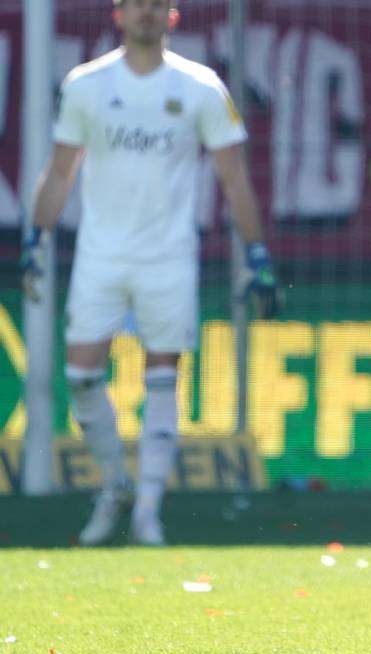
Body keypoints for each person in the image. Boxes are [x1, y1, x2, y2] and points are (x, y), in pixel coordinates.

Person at [20, 0, 278, 546]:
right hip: (101, 255)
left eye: (157, 5)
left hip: (168, 256)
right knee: (82, 375)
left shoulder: (201, 87)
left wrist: (256, 253)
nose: (146, 14)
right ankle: (115, 485)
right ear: (118, 14)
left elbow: (234, 178)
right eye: (136, 4)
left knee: (163, 375)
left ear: (173, 16)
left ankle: (148, 512)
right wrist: (36, 237)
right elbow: (61, 170)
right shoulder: (87, 84)